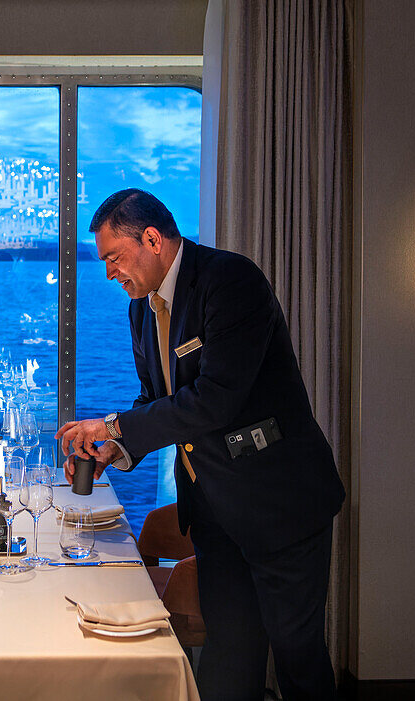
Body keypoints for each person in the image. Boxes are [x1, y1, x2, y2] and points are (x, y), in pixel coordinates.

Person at [55, 189, 345, 701]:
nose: (108, 274)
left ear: (151, 239)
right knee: (230, 656)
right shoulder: (142, 311)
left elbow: (216, 401)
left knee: (297, 656)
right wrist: (114, 450)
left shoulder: (230, 281)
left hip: (279, 502)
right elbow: (155, 399)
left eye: (113, 258)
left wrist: (114, 427)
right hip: (213, 510)